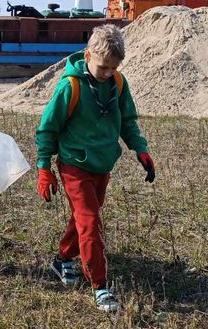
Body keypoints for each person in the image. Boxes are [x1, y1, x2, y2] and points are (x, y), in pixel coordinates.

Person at [34, 25, 155, 313]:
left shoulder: (119, 84)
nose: (107, 73)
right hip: (74, 164)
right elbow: (47, 129)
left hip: (102, 163)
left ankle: (63, 258)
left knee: (84, 217)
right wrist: (44, 167)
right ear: (88, 55)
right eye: (103, 67)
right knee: (90, 221)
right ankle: (99, 285)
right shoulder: (70, 87)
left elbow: (128, 120)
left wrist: (141, 149)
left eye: (113, 68)